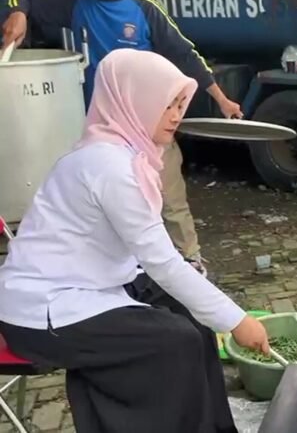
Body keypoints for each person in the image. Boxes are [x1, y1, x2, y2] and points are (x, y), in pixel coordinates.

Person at [0, 48, 270, 433]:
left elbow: (152, 256)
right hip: (42, 308)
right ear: (132, 100)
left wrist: (215, 310)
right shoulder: (107, 165)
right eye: (166, 104)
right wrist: (237, 320)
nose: (175, 115)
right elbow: (162, 262)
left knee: (193, 318)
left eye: (179, 104)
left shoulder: (129, 153)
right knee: (174, 341)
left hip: (89, 283)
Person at [1, 0, 245, 274]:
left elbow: (185, 55)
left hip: (149, 127)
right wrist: (18, 13)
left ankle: (190, 259)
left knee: (170, 201)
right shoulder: (72, 0)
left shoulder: (144, 9)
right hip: (103, 131)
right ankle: (125, 271)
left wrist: (222, 100)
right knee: (110, 206)